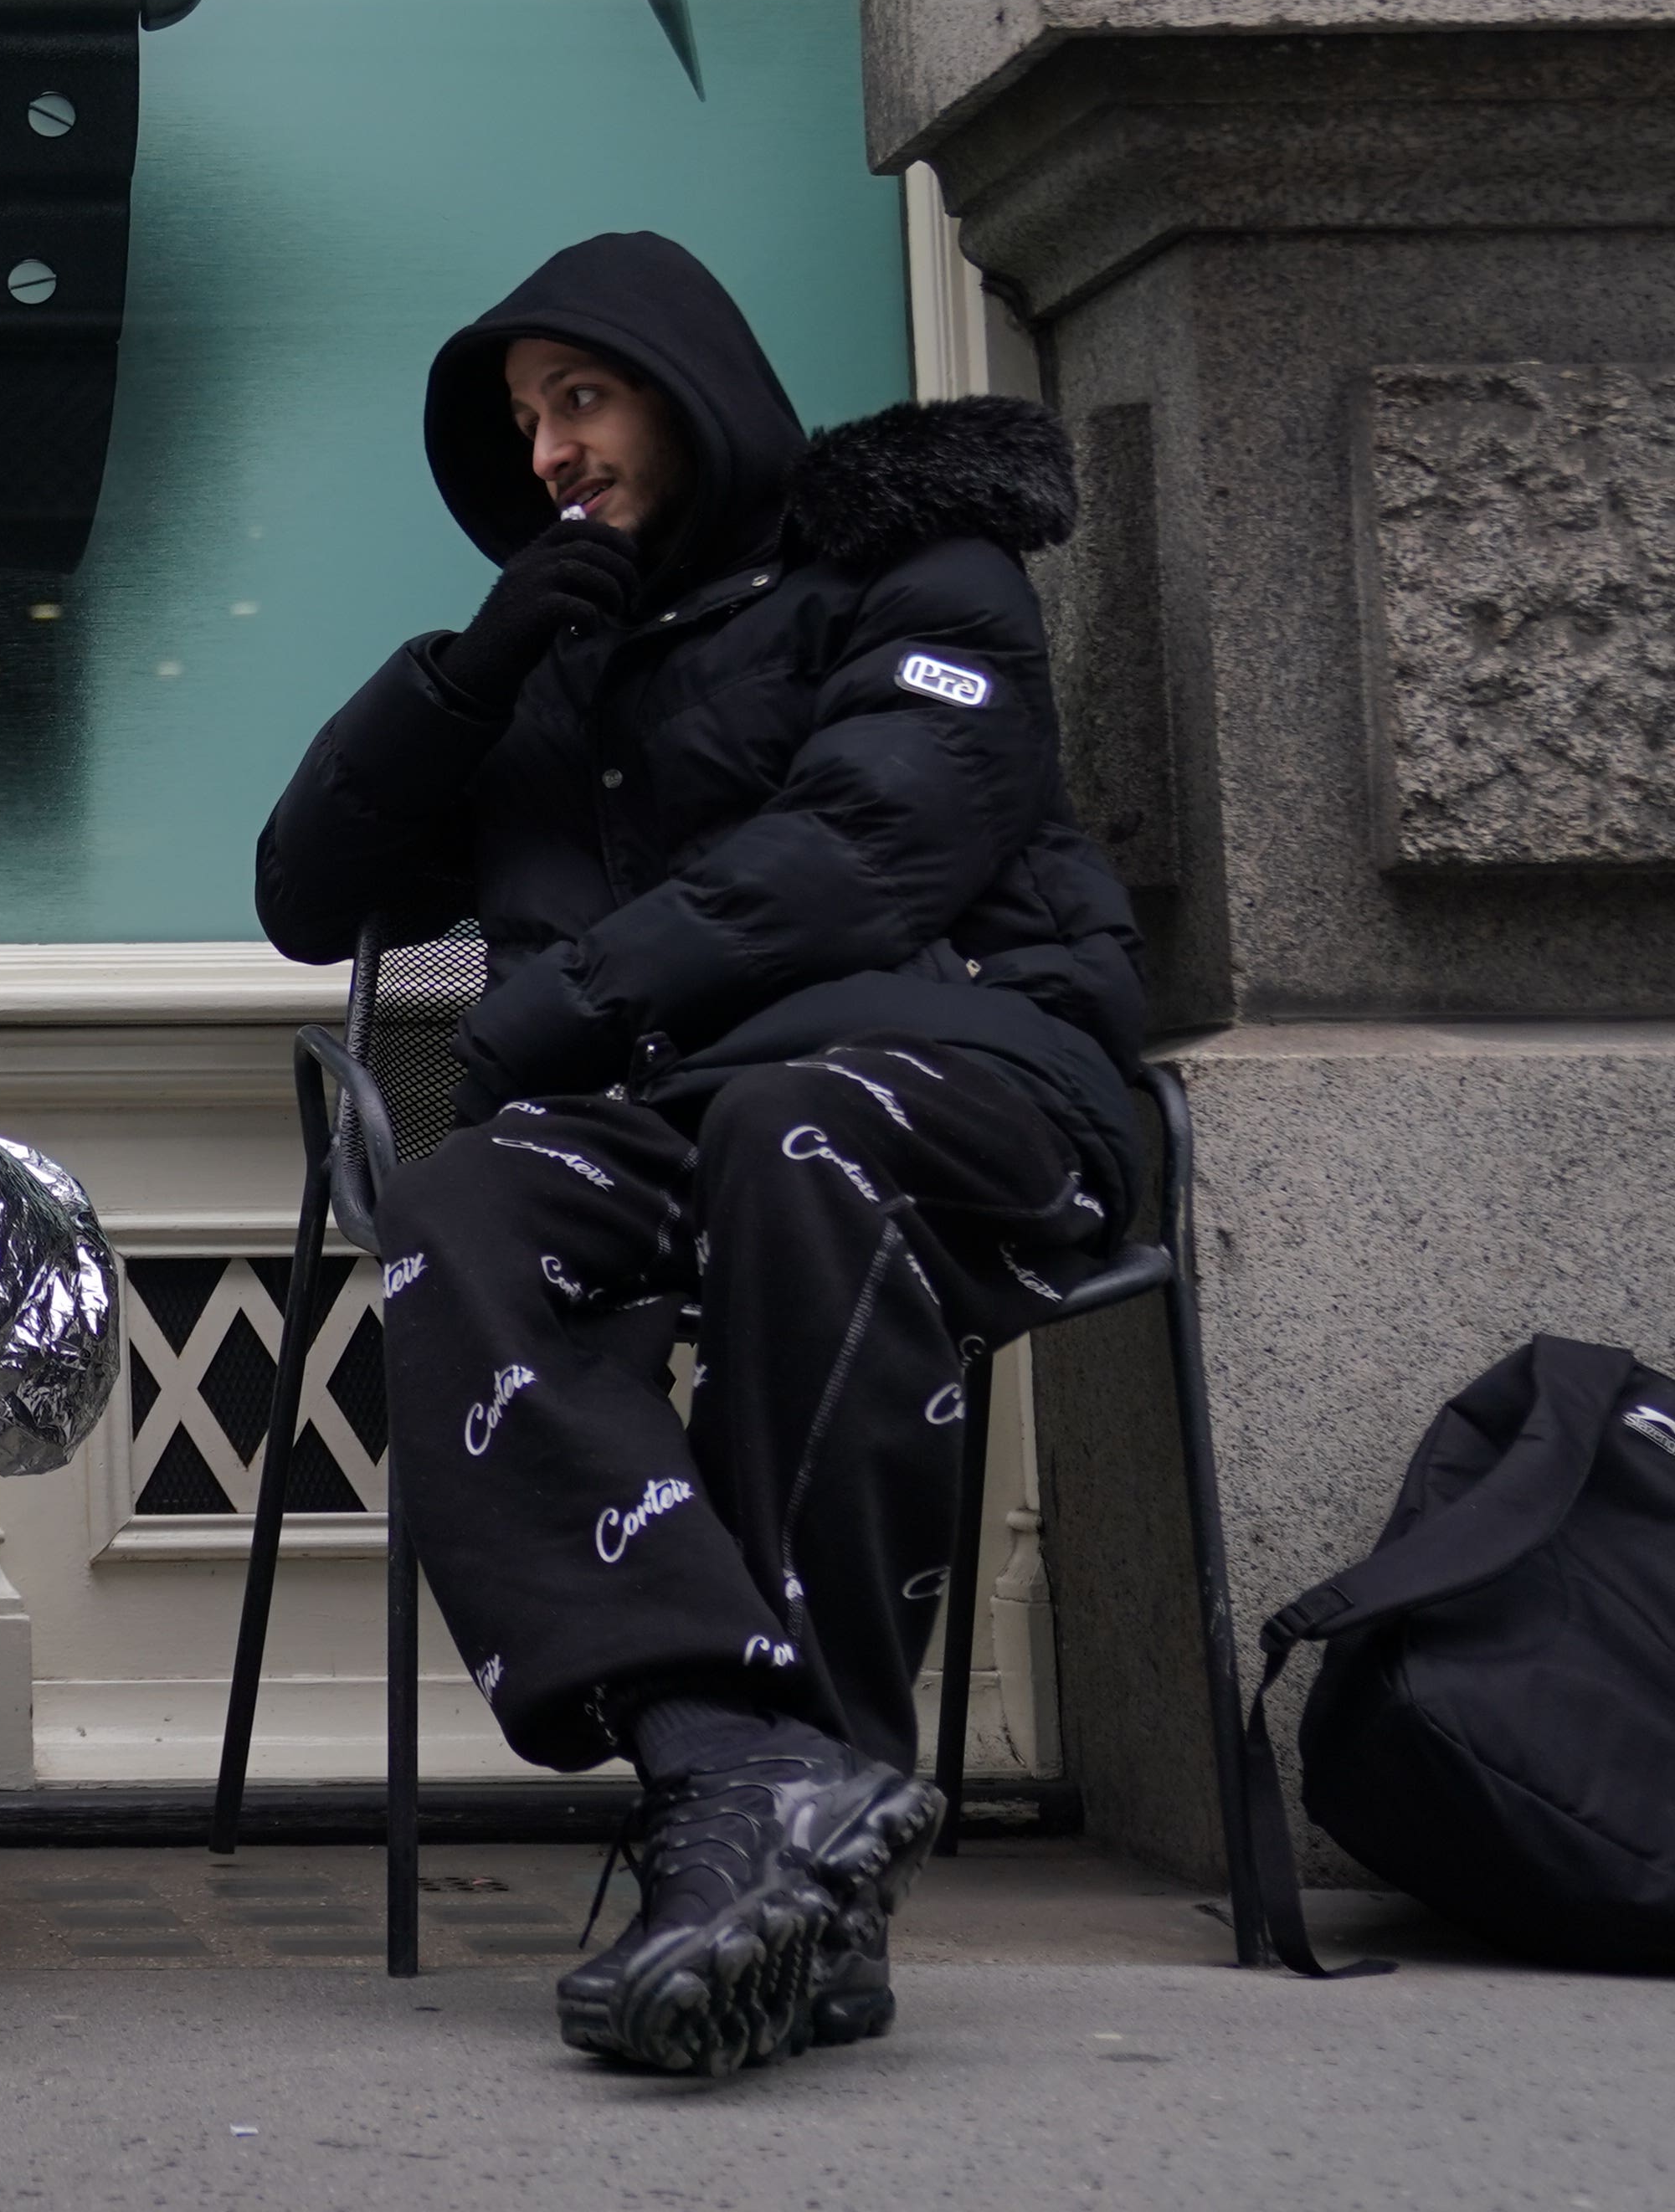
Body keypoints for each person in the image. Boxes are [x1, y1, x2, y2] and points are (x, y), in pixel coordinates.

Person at [257, 234, 1148, 2079]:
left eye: (582, 399)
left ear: (694, 390)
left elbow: (862, 847)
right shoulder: (559, 652)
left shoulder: (920, 568)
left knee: (790, 1131)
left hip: (974, 1072)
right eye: (523, 423)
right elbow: (304, 892)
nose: (550, 452)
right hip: (686, 1114)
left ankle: (789, 1808)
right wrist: (470, 665)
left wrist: (556, 998)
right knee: (460, 1197)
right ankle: (739, 1782)